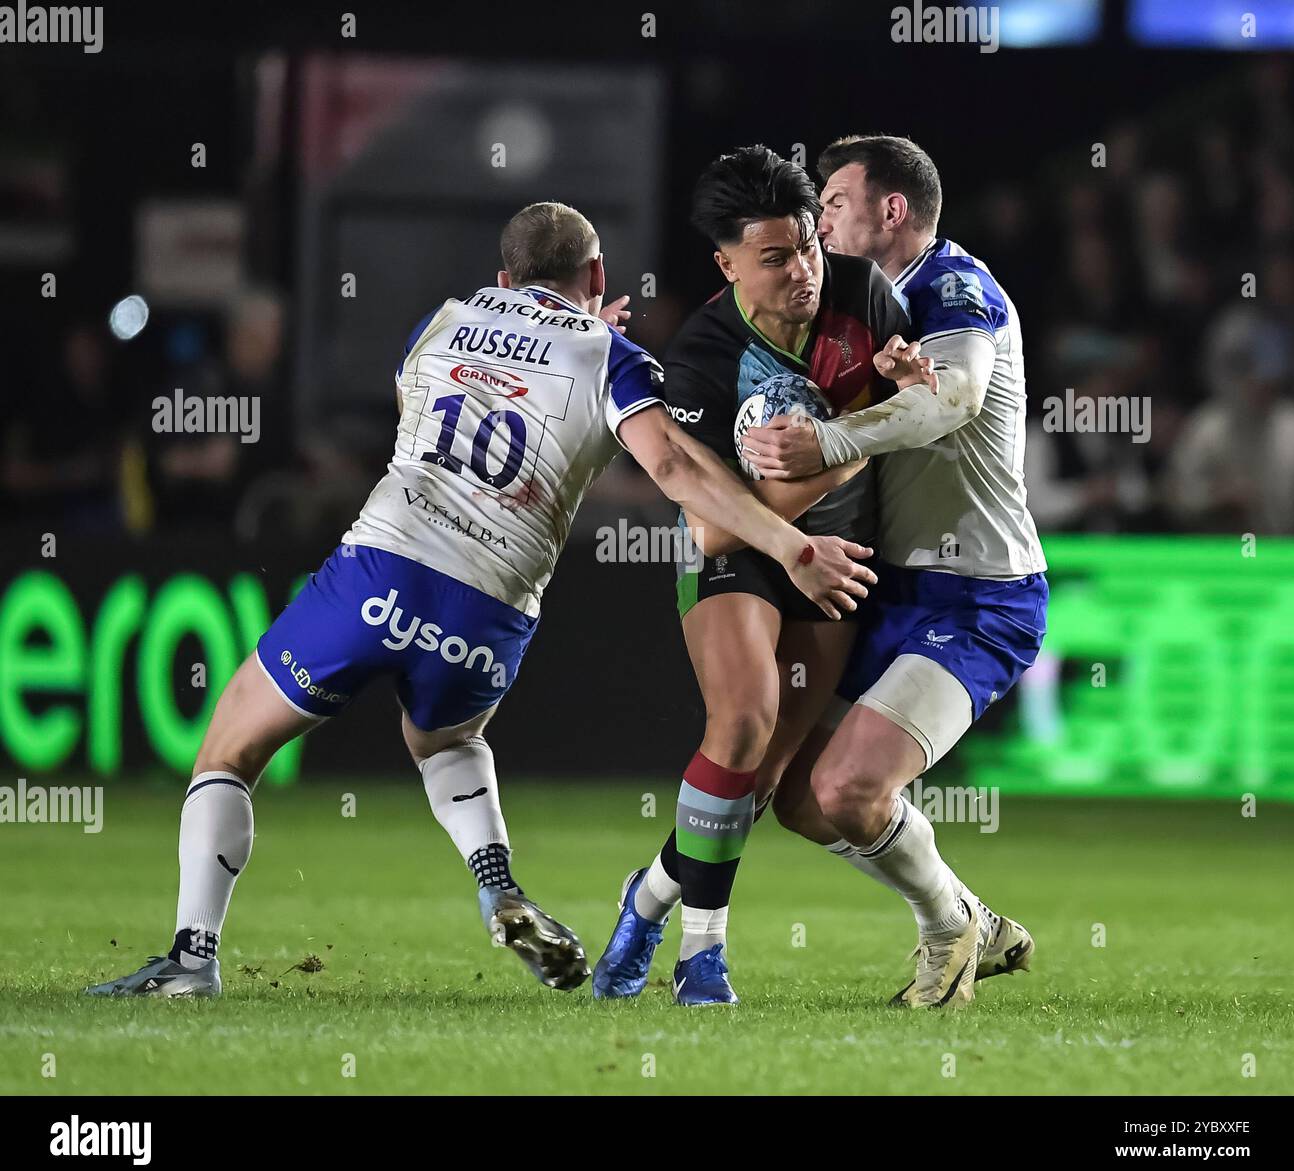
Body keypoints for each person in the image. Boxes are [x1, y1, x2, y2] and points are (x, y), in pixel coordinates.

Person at [86, 200, 872, 999]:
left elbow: (415, 412)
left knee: (228, 749)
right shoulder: (614, 355)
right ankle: (496, 882)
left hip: (384, 566)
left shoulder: (445, 318)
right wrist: (790, 544)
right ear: (596, 278)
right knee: (446, 740)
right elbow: (673, 470)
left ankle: (192, 957)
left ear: (505, 278)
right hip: (491, 608)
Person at [592, 146, 913, 1006]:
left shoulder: (864, 295)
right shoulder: (703, 350)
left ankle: (646, 898)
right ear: (727, 262)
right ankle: (704, 958)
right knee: (742, 721)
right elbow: (708, 516)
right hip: (740, 555)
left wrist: (879, 416)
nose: (803, 269)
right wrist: (849, 454)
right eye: (775, 257)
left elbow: (908, 413)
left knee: (761, 784)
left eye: (808, 243)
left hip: (833, 563)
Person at [747, 134, 1049, 1009]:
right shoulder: (863, 307)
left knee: (850, 786)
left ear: (891, 210)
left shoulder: (955, 288)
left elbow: (949, 398)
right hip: (893, 589)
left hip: (979, 595)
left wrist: (832, 437)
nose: (820, 223)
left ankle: (946, 933)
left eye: (833, 204)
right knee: (800, 793)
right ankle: (969, 916)